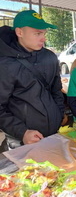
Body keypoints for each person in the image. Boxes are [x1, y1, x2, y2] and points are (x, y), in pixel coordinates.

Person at [0, 10, 65, 150]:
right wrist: (22, 132)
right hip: (21, 143)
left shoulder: (50, 58)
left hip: (52, 136)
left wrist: (58, 116)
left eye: (44, 33)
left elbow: (56, 91)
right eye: (37, 33)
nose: (43, 38)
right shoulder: (5, 65)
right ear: (19, 32)